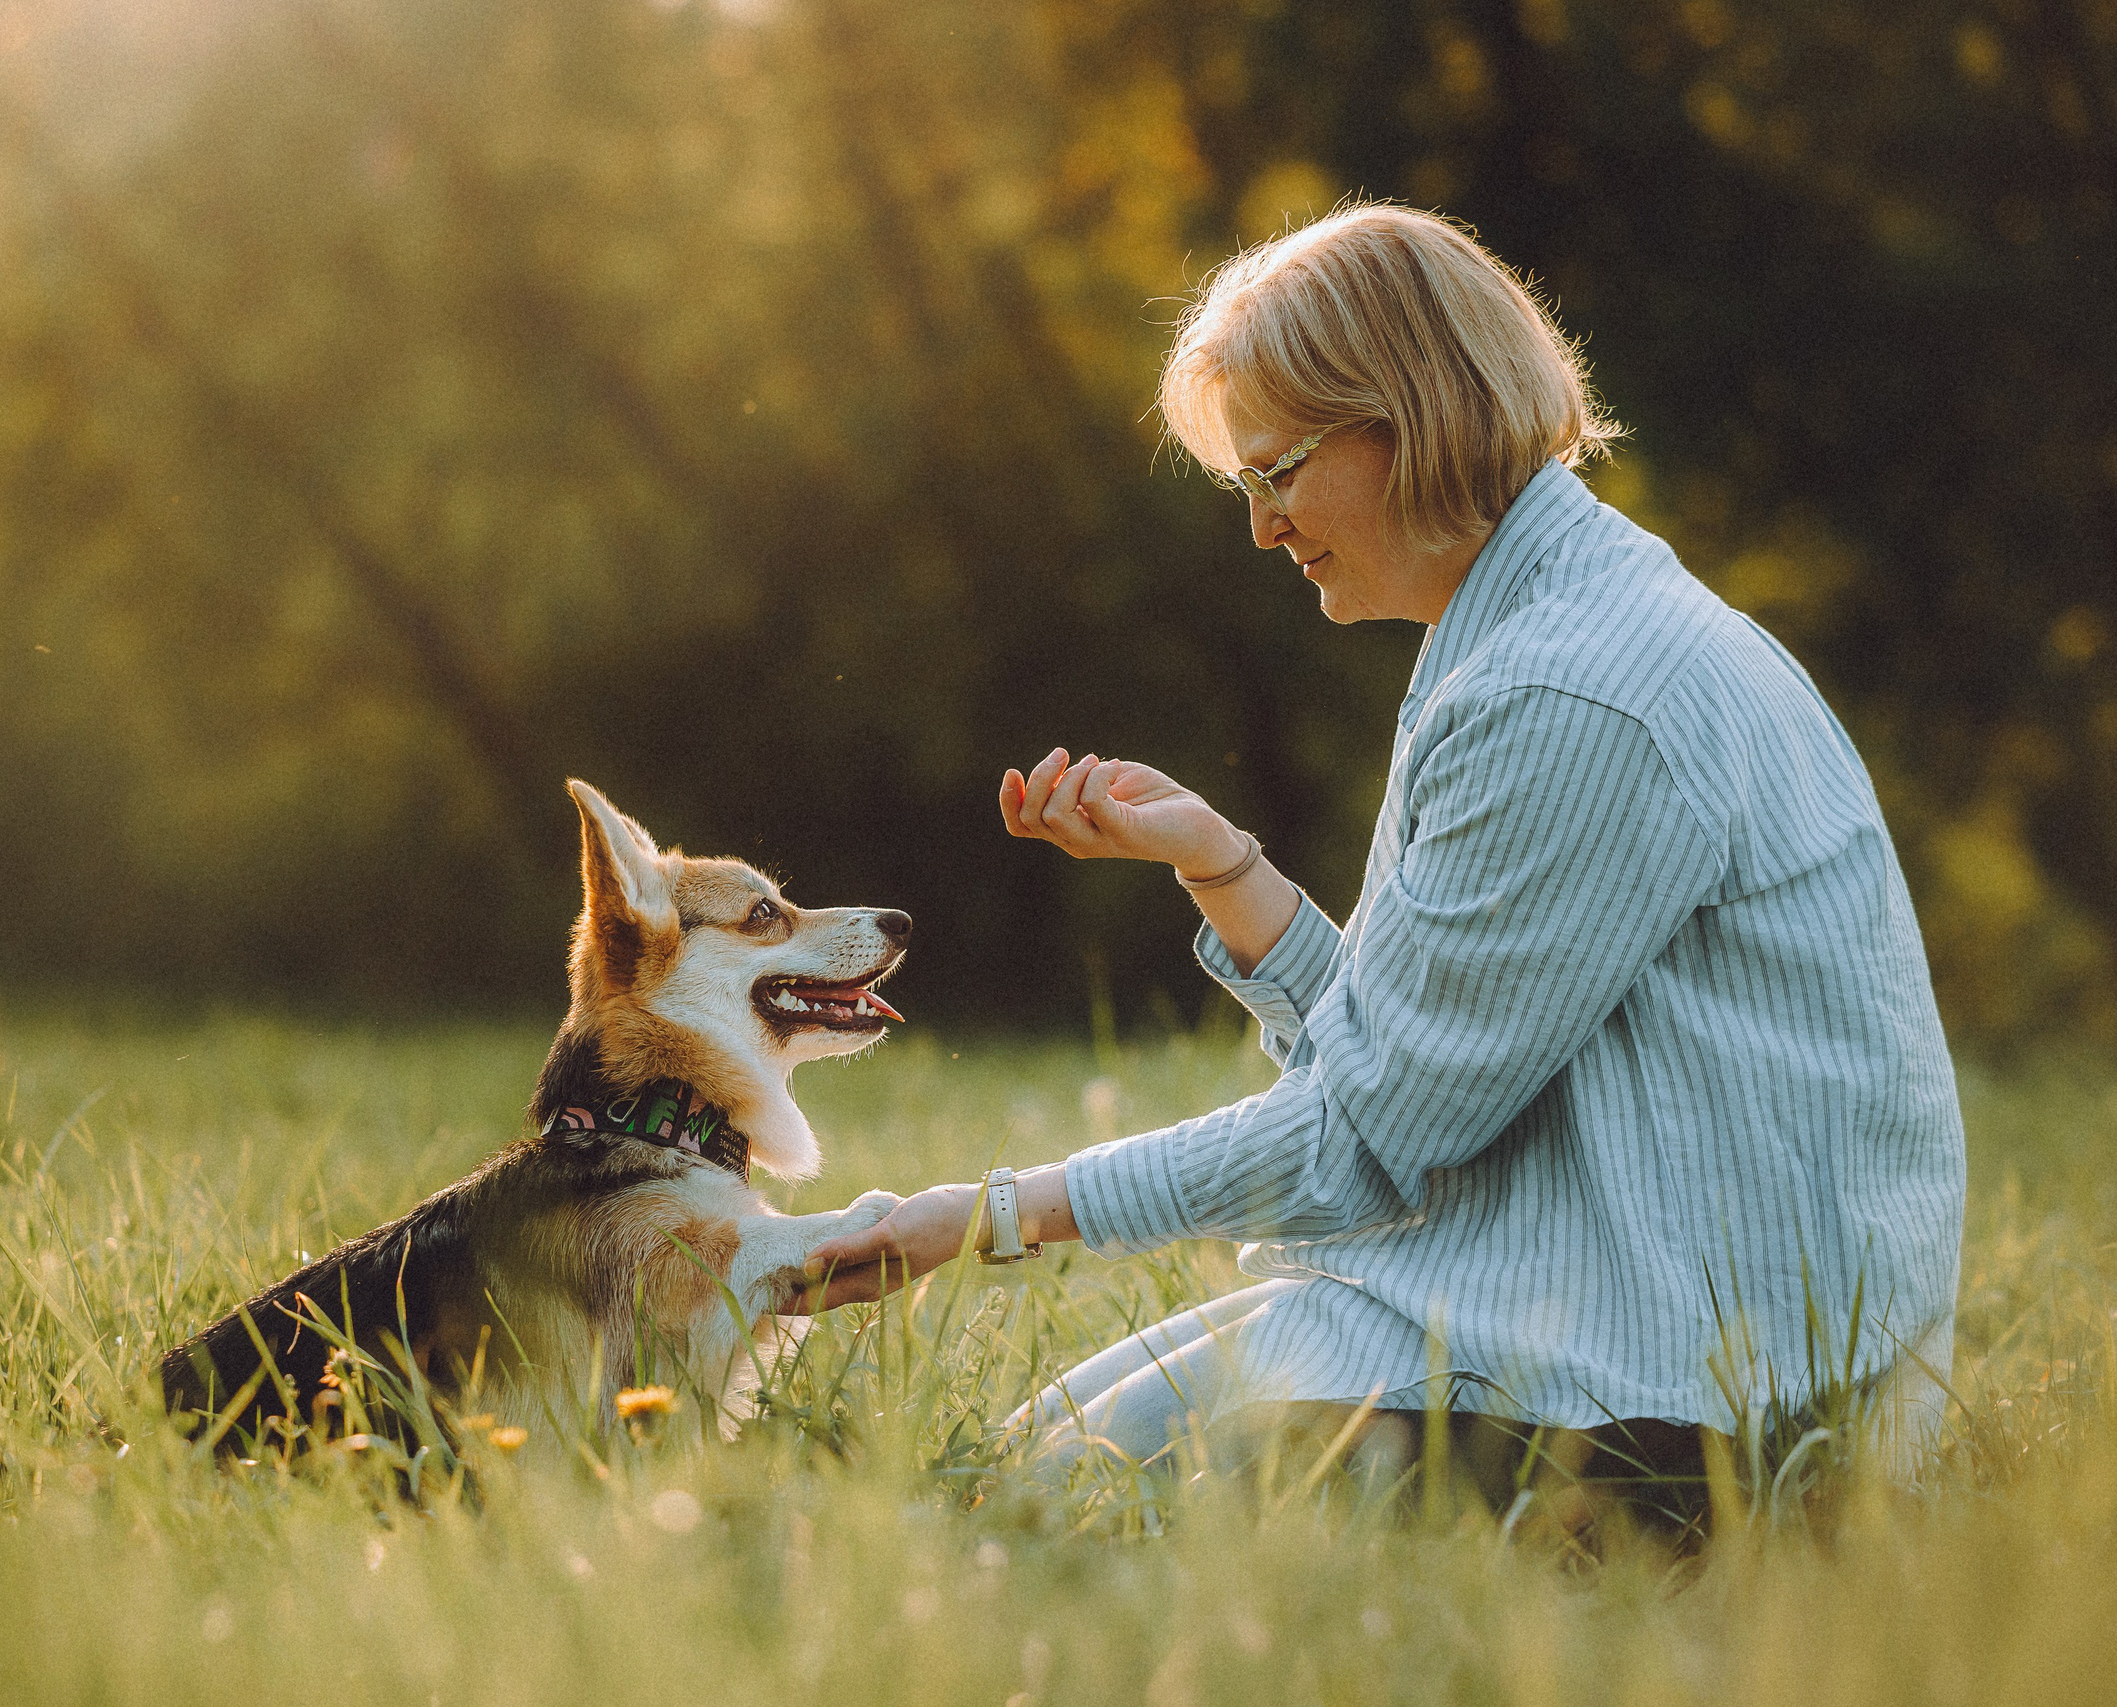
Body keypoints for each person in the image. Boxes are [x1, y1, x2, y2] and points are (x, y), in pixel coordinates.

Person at [806, 203, 1965, 1519]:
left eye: (1276, 474)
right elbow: (1417, 1068)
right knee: (1017, 1464)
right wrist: (1226, 870)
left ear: (1403, 420)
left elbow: (1367, 1139)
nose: (1260, 528)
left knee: (1061, 1508)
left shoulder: (1572, 691)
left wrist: (986, 1212)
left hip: (1684, 1409)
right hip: (1589, 1317)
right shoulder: (1529, 625)